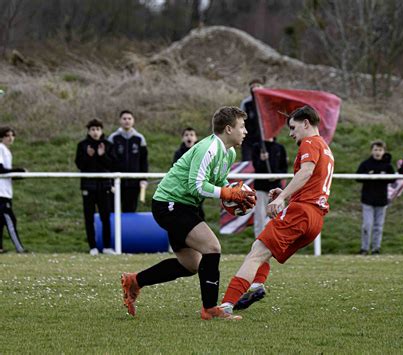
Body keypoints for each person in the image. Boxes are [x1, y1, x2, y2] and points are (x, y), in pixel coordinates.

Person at [121, 106, 255, 320]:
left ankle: (135, 281)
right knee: (212, 247)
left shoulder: (228, 152)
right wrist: (228, 194)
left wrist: (233, 195)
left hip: (183, 205)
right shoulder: (209, 148)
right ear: (229, 129)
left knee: (191, 264)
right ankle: (210, 309)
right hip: (169, 203)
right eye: (242, 126)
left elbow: (218, 183)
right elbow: (197, 185)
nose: (246, 131)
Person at [219, 105, 334, 317]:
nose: (291, 134)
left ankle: (226, 305)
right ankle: (256, 286)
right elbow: (314, 181)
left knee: (256, 254)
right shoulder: (325, 147)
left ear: (306, 123)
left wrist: (282, 199)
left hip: (301, 213)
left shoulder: (309, 142)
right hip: (315, 219)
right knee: (261, 247)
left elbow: (307, 171)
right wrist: (287, 193)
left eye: (293, 127)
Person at [75, 119, 116, 256]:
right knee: (89, 218)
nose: (95, 132)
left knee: (106, 217)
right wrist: (89, 156)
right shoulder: (82, 145)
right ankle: (92, 247)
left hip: (104, 186)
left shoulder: (108, 145)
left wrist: (102, 155)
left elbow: (113, 165)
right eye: (92, 129)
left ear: (101, 130)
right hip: (88, 186)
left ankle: (107, 247)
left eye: (98, 129)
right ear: (88, 131)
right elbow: (80, 165)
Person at [355, 140, 395, 255]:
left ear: (384, 151)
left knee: (378, 226)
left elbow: (393, 178)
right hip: (367, 200)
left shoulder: (387, 165)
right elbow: (357, 177)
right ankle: (364, 248)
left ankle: (376, 248)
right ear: (371, 151)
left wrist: (384, 177)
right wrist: (368, 176)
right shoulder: (366, 164)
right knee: (367, 224)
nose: (378, 152)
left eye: (380, 150)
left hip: (382, 200)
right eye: (376, 150)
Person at [108, 110, 148, 212]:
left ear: (133, 121)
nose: (127, 121)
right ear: (120, 121)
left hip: (133, 183)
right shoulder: (113, 138)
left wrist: (144, 179)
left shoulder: (139, 139)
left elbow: (143, 161)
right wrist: (109, 180)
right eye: (124, 119)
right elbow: (108, 161)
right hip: (115, 182)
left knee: (130, 210)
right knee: (113, 209)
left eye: (129, 118)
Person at [251, 138, 288, 238]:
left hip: (276, 189)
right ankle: (258, 241)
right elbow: (256, 167)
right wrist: (262, 161)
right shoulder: (257, 147)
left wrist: (277, 175)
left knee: (279, 217)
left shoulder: (279, 148)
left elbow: (284, 169)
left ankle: (278, 240)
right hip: (261, 188)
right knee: (260, 218)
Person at [0, 127, 27, 253]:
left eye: (12, 135)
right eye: (7, 135)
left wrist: (20, 175)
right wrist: (18, 171)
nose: (10, 138)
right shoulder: (0, 148)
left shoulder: (7, 151)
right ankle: (19, 248)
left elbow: (6, 174)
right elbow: (1, 170)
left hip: (6, 192)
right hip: (1, 193)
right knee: (10, 219)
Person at [172, 127, 205, 220]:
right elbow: (174, 170)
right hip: (182, 189)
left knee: (198, 212)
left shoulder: (201, 153)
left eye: (191, 135)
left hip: (197, 188)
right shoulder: (178, 154)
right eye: (186, 135)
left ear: (195, 138)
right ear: (182, 138)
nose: (189, 137)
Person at [240, 78, 265, 161]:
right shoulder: (246, 103)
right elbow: (240, 120)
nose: (255, 89)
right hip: (248, 138)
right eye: (253, 87)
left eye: (258, 86)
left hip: (265, 138)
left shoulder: (267, 102)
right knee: (248, 162)